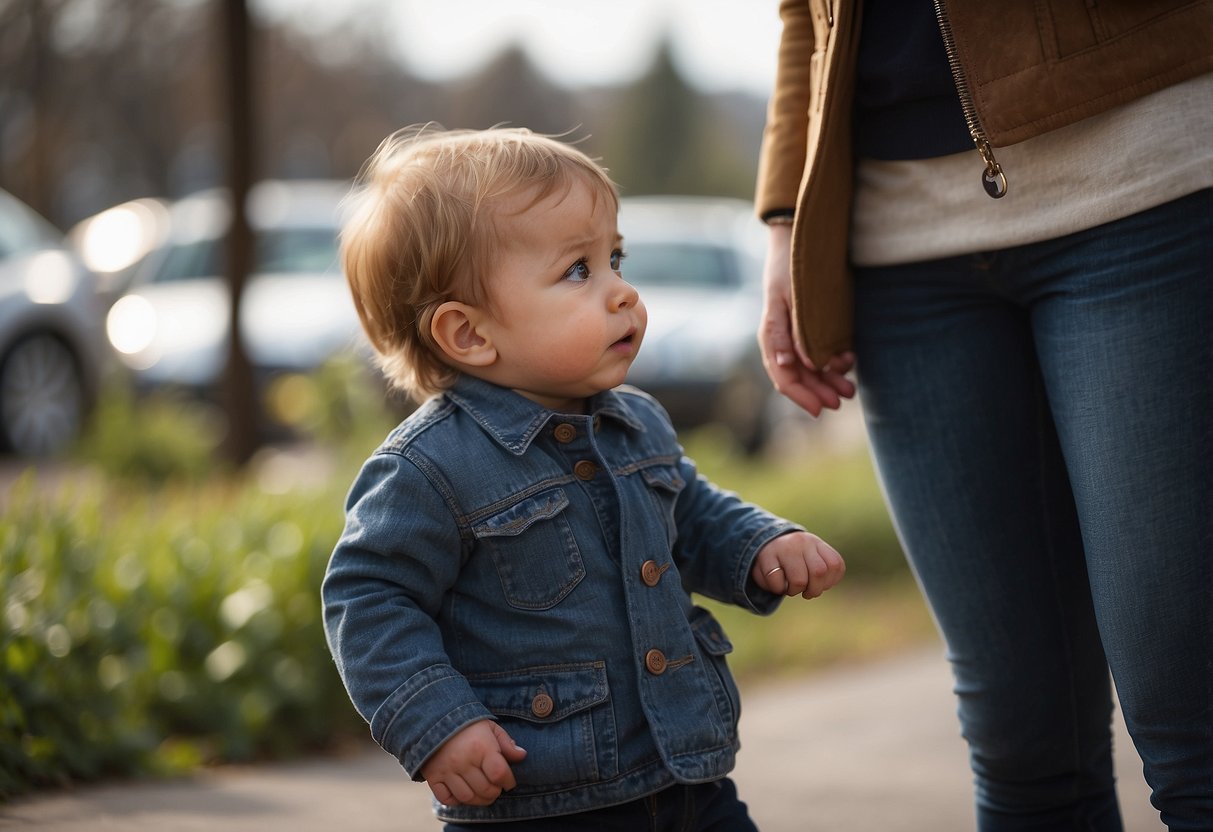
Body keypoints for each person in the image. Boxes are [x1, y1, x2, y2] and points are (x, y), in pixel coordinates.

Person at [754, 1, 1213, 830]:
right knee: (1022, 749)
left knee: (1191, 722)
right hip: (897, 246)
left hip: (1144, 185)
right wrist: (786, 220)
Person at [321, 126, 846, 830]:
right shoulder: (429, 468)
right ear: (469, 334)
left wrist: (759, 545)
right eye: (579, 271)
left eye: (615, 258)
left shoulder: (636, 421)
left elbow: (689, 513)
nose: (622, 292)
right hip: (538, 803)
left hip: (687, 782)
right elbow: (369, 598)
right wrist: (439, 724)